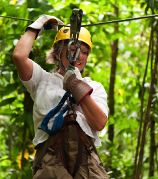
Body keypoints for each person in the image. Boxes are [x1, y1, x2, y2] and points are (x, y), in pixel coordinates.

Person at [13, 15, 109, 179]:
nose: (78, 56)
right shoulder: (41, 81)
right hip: (51, 162)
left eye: (84, 52)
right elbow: (19, 57)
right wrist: (39, 25)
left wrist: (76, 86)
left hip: (87, 164)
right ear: (57, 54)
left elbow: (99, 122)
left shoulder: (95, 88)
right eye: (73, 49)